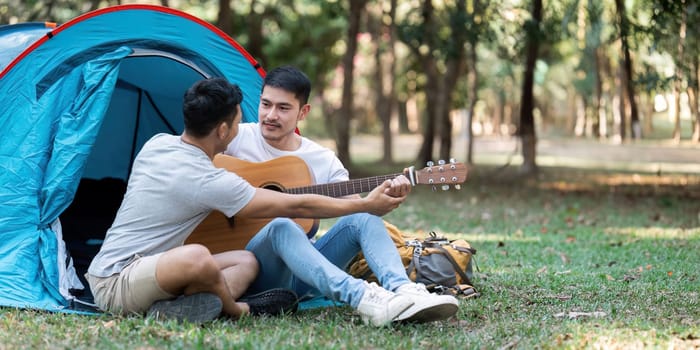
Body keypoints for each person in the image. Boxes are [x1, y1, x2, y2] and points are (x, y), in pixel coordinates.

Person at [86, 77, 409, 325]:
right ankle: (237, 309)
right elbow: (291, 206)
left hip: (153, 271)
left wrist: (362, 206)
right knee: (196, 255)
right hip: (116, 280)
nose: (248, 126)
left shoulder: (158, 143)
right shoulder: (207, 179)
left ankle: (178, 308)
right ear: (224, 129)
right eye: (240, 122)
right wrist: (365, 204)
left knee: (245, 261)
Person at [224, 66, 459, 326]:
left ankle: (405, 292)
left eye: (283, 108)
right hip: (249, 269)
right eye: (265, 104)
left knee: (363, 219)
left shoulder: (322, 159)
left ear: (303, 112)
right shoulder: (235, 139)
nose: (270, 115)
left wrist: (376, 204)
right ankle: (365, 299)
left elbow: (356, 208)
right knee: (282, 225)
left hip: (302, 275)